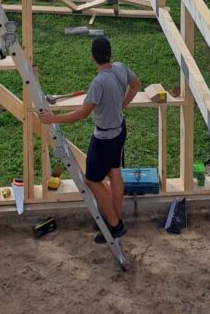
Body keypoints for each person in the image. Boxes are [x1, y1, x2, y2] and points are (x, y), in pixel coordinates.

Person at [39, 36, 141, 243]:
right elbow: (136, 84)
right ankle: (115, 216)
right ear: (109, 53)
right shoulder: (120, 68)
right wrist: (122, 105)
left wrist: (53, 118)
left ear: (92, 57)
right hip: (120, 130)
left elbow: (82, 114)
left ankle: (113, 225)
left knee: (92, 180)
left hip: (104, 138)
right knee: (114, 173)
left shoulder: (99, 82)